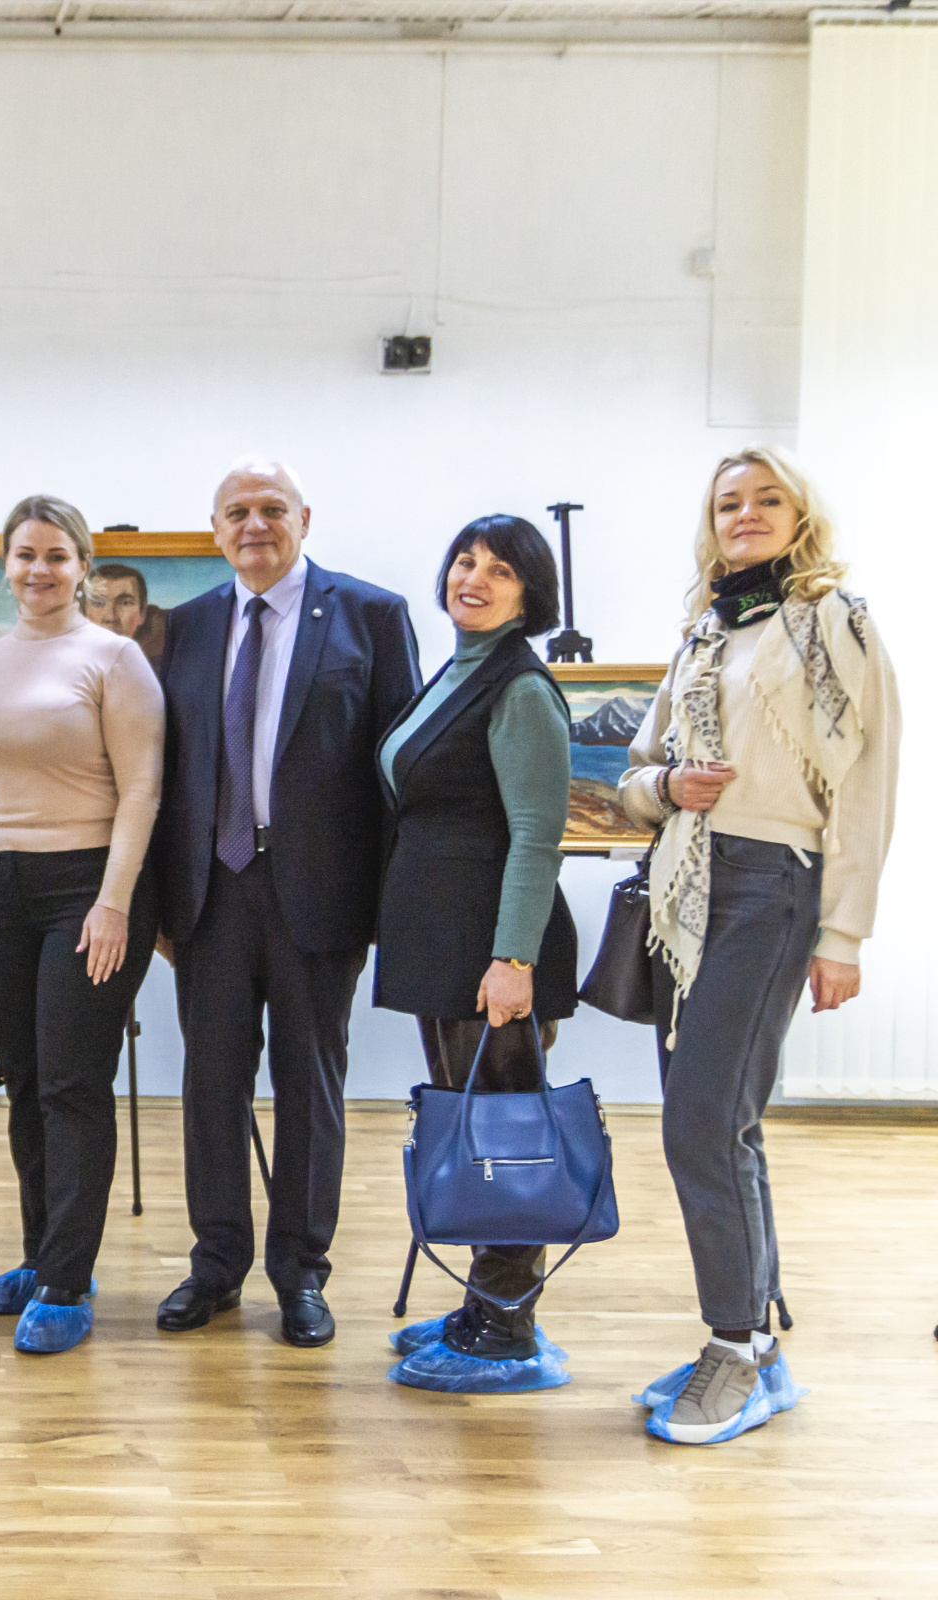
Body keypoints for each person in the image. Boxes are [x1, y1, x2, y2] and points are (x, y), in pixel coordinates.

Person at [616, 446, 896, 1445]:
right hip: (685, 887)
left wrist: (844, 932)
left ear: (799, 515)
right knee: (724, 1119)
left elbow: (866, 784)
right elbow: (634, 777)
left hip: (773, 886)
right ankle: (757, 1346)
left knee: (700, 1121)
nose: (746, 514)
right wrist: (668, 788)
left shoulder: (835, 621)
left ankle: (733, 1346)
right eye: (728, 502)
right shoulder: (704, 631)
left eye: (767, 498)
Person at [151, 458, 420, 1347]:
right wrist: (159, 902)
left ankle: (301, 1273)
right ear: (216, 529)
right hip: (210, 895)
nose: (254, 525)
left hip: (321, 895)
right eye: (237, 512)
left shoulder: (371, 616)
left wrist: (386, 905)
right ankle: (216, 1265)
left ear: (306, 518)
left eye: (272, 508)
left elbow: (399, 773)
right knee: (210, 1088)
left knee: (310, 1091)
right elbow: (167, 772)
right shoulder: (188, 626)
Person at [0, 495, 163, 1355]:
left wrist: (114, 902)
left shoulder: (114, 659)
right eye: (25, 555)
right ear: (7, 565)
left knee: (72, 1084)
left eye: (57, 556)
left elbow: (141, 789)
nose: (40, 570)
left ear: (82, 568)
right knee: (26, 1083)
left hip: (84, 887)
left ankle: (68, 1283)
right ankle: (41, 1257)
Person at [372, 515, 581, 1393]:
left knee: (506, 1138)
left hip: (493, 950)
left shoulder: (520, 686)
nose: (474, 579)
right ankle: (487, 1303)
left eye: (500, 570)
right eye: (465, 561)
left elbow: (537, 833)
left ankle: (505, 1328)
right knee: (474, 1129)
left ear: (530, 595)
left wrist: (513, 960)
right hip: (446, 941)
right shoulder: (459, 670)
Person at [85, 562, 169, 672]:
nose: (111, 617)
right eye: (98, 603)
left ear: (142, 613)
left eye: (125, 603)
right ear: (83, 612)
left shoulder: (160, 668)